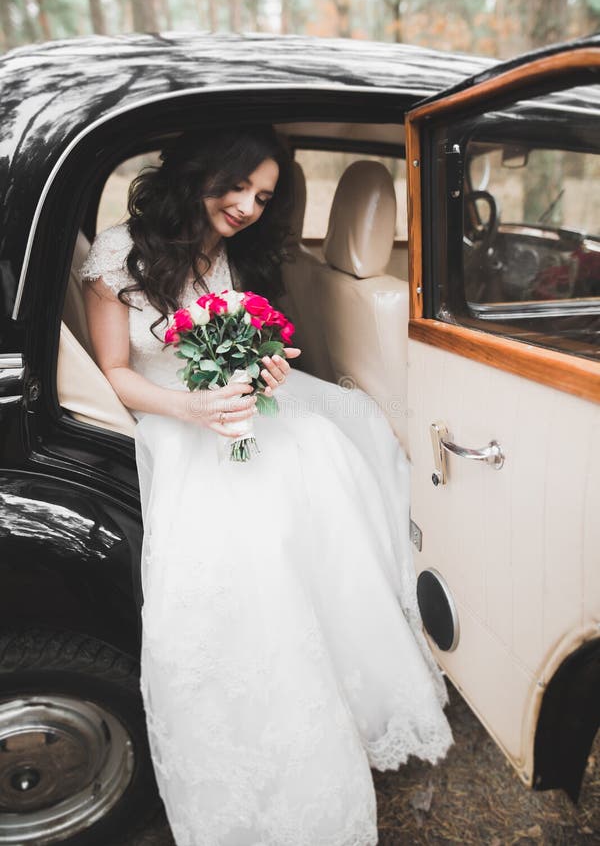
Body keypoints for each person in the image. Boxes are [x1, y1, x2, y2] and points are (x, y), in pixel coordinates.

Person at [80, 125, 453, 846]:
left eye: (264, 196)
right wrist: (193, 407)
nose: (248, 205)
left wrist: (264, 367)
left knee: (335, 434)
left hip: (237, 404)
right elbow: (117, 374)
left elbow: (245, 338)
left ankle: (339, 680)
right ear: (196, 172)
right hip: (173, 417)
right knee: (254, 535)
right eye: (238, 186)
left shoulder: (227, 251)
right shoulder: (117, 252)